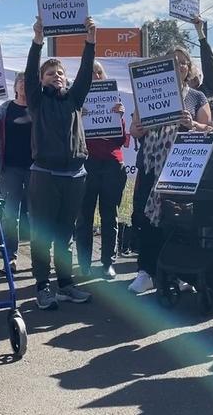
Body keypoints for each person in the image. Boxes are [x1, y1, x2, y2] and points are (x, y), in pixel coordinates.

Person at [24, 15, 96, 310]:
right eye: (50, 73)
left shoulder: (74, 100)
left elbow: (86, 75)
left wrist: (90, 42)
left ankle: (66, 284)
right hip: (44, 174)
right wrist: (37, 42)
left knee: (65, 234)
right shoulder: (37, 100)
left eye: (60, 73)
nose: (57, 76)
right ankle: (43, 286)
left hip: (75, 175)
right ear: (42, 80)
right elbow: (29, 74)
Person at [128, 46, 213, 293]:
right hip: (150, 165)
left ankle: (179, 272)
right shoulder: (147, 94)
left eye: (182, 62)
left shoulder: (197, 96)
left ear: (188, 68)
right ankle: (146, 271)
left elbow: (208, 130)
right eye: (172, 62)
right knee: (147, 217)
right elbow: (134, 130)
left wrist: (192, 123)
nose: (178, 66)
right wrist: (140, 127)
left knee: (179, 220)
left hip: (181, 167)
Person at [75, 60, 129, 279]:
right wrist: (79, 117)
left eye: (99, 73)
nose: (96, 76)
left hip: (112, 165)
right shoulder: (76, 103)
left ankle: (108, 262)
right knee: (84, 217)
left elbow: (121, 140)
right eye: (92, 73)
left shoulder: (114, 102)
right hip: (86, 164)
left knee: (110, 216)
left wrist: (119, 117)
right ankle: (84, 265)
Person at [0, 72, 32, 273]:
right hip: (9, 168)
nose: (23, 84)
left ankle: (40, 259)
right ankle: (10, 257)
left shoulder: (39, 107)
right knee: (11, 215)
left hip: (36, 169)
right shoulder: (6, 108)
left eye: (28, 81)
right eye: (20, 81)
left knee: (37, 216)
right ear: (16, 87)